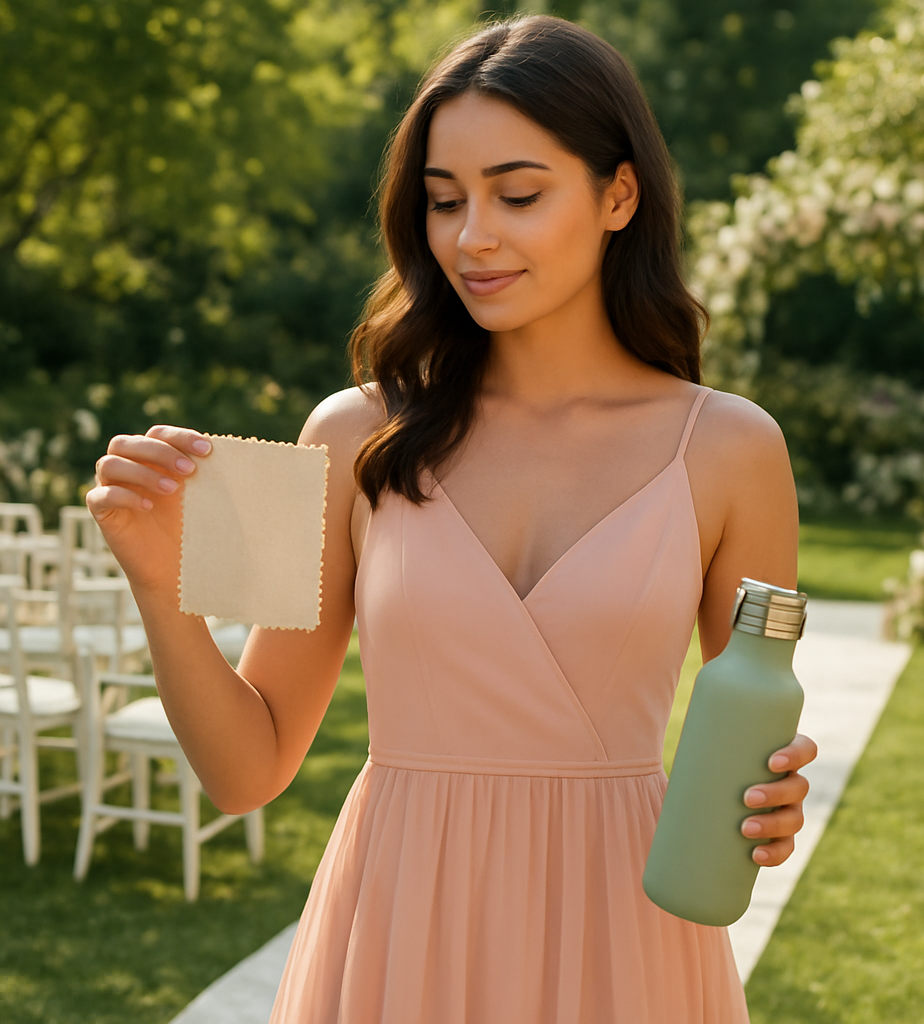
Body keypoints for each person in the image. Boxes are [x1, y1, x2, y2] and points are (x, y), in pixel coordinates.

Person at [88, 14, 816, 1023]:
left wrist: (769, 803)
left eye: (517, 194)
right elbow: (246, 769)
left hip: (626, 946)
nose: (472, 236)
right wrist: (162, 588)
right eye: (443, 200)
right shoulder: (346, 435)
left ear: (618, 193)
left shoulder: (734, 449)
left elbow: (754, 726)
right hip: (395, 934)